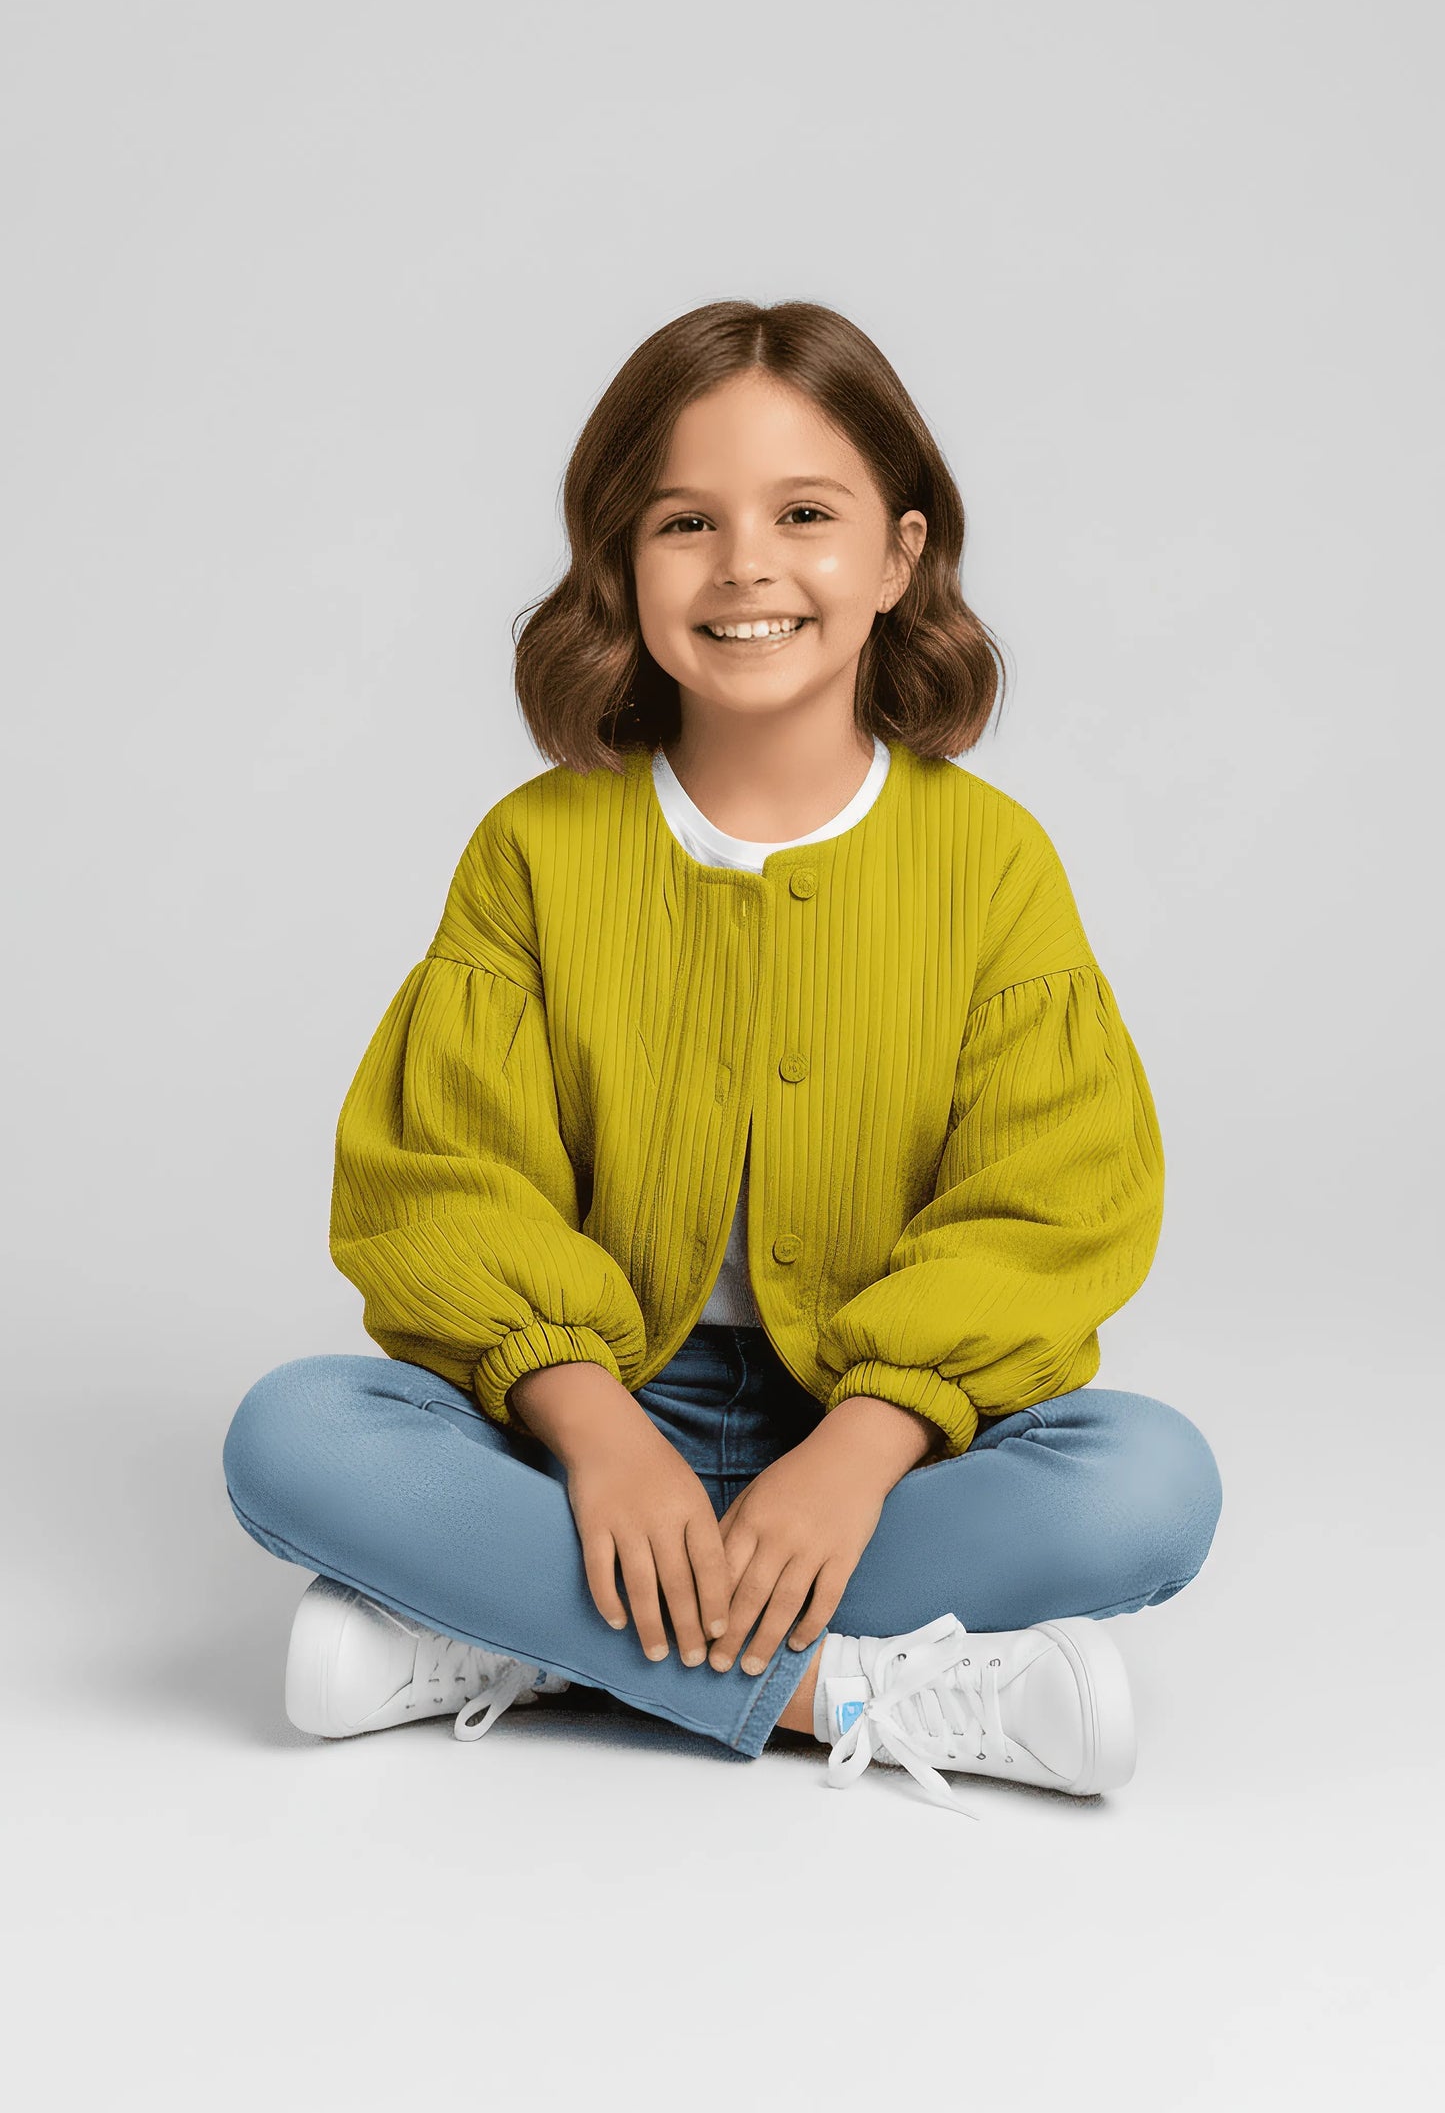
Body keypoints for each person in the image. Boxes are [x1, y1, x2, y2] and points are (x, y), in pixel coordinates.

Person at [222, 299, 1223, 1818]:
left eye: (803, 515)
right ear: (622, 565)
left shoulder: (993, 863)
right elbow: (443, 1183)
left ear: (897, 556)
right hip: (592, 1413)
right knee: (290, 1435)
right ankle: (839, 1690)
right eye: (686, 521)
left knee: (1149, 1482)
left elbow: (1051, 1202)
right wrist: (596, 1429)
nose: (747, 564)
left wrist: (861, 1446)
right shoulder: (535, 849)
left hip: (880, 1436)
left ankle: (525, 1638)